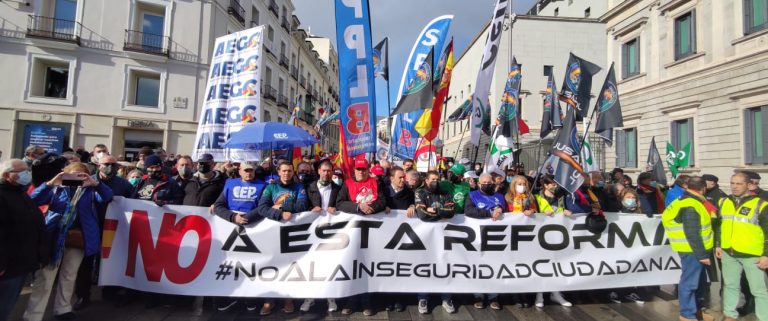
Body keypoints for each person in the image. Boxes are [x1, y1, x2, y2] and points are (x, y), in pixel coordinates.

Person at [24, 162, 113, 321]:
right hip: (54, 235)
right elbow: (33, 200)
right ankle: (33, 315)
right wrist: (50, 183)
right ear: (64, 174)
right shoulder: (56, 188)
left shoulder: (90, 190)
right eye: (72, 176)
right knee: (45, 277)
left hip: (79, 237)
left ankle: (63, 308)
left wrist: (95, 184)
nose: (76, 179)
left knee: (69, 274)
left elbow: (107, 197)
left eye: (80, 176)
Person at [73, 155, 132, 311]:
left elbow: (133, 203)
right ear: (98, 165)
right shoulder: (86, 180)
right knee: (86, 264)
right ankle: (83, 295)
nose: (110, 168)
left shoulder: (124, 184)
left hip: (114, 229)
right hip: (90, 229)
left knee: (111, 261)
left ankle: (109, 292)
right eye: (106, 164)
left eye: (113, 165)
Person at [212, 161, 267, 312]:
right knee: (230, 265)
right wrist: (232, 217)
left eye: (252, 170)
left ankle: (251, 299)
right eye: (246, 170)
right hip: (229, 230)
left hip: (253, 230)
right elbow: (218, 206)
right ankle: (228, 297)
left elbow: (263, 206)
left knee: (250, 266)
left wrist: (248, 218)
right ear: (240, 171)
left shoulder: (263, 186)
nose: (249, 173)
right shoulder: (230, 184)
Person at [255, 161, 309, 315]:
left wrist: (283, 209)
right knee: (270, 266)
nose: (287, 174)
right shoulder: (270, 187)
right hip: (272, 234)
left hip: (292, 234)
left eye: (290, 171)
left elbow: (302, 206)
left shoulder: (299, 187)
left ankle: (288, 299)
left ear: (293, 172)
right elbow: (262, 207)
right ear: (278, 172)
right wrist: (278, 214)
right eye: (284, 171)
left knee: (290, 267)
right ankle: (269, 301)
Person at [336, 159, 386, 316]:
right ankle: (351, 301)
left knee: (367, 266)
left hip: (371, 233)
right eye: (358, 169)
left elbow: (383, 201)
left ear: (367, 170)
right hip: (352, 233)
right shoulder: (347, 183)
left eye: (364, 169)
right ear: (354, 170)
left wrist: (373, 207)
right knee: (352, 266)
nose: (361, 172)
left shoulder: (375, 182)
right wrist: (358, 207)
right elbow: (340, 203)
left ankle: (366, 302)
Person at [716, 172, 768, 321]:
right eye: (732, 183)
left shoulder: (760, 204)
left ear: (748, 185)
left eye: (739, 184)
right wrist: (718, 245)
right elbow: (720, 226)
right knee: (730, 286)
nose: (735, 187)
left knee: (758, 290)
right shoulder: (723, 202)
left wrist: (766, 254)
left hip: (752, 254)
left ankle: (764, 317)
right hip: (728, 252)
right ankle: (730, 315)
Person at [661, 176, 715, 321]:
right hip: (693, 250)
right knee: (690, 283)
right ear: (703, 188)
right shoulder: (691, 205)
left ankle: (696, 311)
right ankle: (687, 314)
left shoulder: (684, 201)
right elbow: (692, 233)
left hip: (692, 249)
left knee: (699, 282)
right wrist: (702, 255)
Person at [0, 159, 48, 321]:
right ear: (7, 175)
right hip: (8, 267)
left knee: (9, 305)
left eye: (27, 170)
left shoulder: (20, 194)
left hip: (21, 263)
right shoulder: (3, 196)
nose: (27, 174)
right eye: (22, 171)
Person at [300, 160, 340, 313]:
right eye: (323, 170)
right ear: (318, 172)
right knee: (311, 265)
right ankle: (309, 297)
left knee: (330, 264)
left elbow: (343, 203)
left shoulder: (338, 188)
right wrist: (310, 208)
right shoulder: (308, 187)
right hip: (311, 232)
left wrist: (336, 207)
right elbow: (302, 205)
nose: (326, 173)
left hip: (331, 232)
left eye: (329, 171)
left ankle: (331, 297)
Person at [414, 171, 456, 314]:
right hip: (425, 238)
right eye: (432, 179)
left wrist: (434, 210)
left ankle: (446, 298)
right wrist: (440, 213)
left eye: (437, 179)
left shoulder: (445, 193)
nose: (435, 182)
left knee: (445, 266)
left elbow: (451, 212)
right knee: (425, 267)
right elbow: (422, 215)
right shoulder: (420, 192)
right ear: (426, 180)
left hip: (445, 236)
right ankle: (423, 298)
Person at [465, 173, 506, 310]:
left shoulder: (499, 196)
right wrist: (489, 214)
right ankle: (478, 295)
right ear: (479, 183)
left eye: (490, 182)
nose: (487, 184)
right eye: (484, 182)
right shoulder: (472, 195)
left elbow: (506, 210)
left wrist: (501, 209)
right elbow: (469, 211)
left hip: (496, 238)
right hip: (477, 237)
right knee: (478, 266)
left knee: (494, 266)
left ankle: (493, 296)